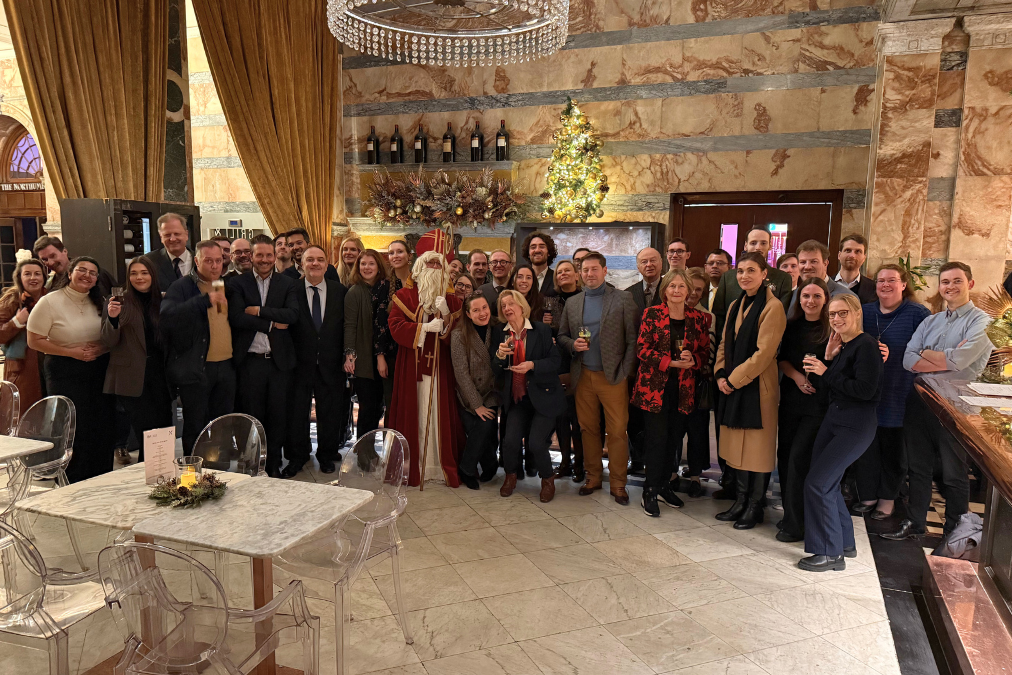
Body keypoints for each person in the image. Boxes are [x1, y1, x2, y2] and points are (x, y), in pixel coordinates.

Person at [884, 261, 993, 547]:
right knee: (918, 467)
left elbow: (961, 360)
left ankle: (955, 531)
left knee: (953, 472)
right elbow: (908, 360)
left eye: (957, 281)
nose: (950, 287)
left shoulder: (982, 322)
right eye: (945, 282)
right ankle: (915, 522)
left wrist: (929, 355)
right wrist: (944, 358)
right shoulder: (931, 321)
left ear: (970, 284)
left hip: (955, 405)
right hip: (921, 400)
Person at [799, 294, 882, 571]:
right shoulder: (844, 346)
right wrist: (828, 359)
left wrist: (827, 369)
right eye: (832, 314)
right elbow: (830, 389)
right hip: (835, 420)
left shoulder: (866, 345)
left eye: (843, 312)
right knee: (827, 483)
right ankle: (844, 542)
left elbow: (866, 391)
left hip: (855, 425)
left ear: (857, 313)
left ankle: (830, 553)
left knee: (818, 483)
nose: (836, 319)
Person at [713, 252, 787, 529]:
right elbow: (724, 343)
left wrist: (733, 380)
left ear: (764, 274)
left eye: (751, 270)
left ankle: (755, 506)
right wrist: (720, 374)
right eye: (741, 271)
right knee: (737, 448)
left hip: (757, 387)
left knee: (757, 450)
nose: (744, 276)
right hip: (733, 385)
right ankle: (740, 500)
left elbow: (764, 353)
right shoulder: (736, 304)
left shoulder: (773, 306)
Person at [386, 229, 465, 487]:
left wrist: (446, 315)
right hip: (411, 366)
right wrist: (423, 328)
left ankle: (437, 466)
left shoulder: (452, 301)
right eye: (429, 262)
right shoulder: (404, 297)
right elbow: (395, 326)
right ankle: (413, 467)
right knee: (414, 411)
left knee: (438, 414)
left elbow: (460, 336)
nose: (433, 267)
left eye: (438, 264)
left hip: (441, 369)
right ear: (419, 266)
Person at [558, 252, 638, 504]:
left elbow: (633, 340)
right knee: (588, 429)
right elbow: (562, 336)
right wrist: (573, 345)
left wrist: (625, 372)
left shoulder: (623, 299)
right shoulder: (573, 303)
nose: (589, 274)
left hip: (613, 376)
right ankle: (592, 477)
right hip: (583, 375)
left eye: (594, 269)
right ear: (580, 274)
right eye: (585, 270)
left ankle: (618, 483)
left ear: (604, 271)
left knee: (617, 431)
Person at [852, 264, 930, 520]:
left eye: (892, 280)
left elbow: (927, 351)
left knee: (893, 451)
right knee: (867, 447)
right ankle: (867, 494)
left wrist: (893, 354)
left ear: (904, 284)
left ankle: (887, 499)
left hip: (900, 390)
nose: (885, 285)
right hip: (868, 391)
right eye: (881, 280)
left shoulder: (918, 313)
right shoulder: (864, 312)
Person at [27, 257, 114, 482]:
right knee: (73, 427)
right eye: (81, 270)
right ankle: (72, 480)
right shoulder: (50, 301)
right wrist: (71, 352)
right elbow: (34, 341)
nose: (87, 275)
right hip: (64, 370)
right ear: (69, 273)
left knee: (101, 424)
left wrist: (102, 348)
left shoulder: (101, 301)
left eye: (92, 273)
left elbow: (113, 335)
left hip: (99, 368)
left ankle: (102, 477)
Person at [632, 268, 711, 516]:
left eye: (681, 286)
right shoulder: (652, 314)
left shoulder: (699, 319)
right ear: (664, 290)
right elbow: (642, 350)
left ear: (689, 290)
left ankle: (664, 486)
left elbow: (704, 352)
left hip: (684, 389)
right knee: (656, 440)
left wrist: (693, 360)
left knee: (674, 440)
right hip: (654, 389)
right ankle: (649, 490)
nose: (676, 290)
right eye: (672, 286)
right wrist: (670, 362)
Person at [227, 235, 299, 476]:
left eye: (269, 255)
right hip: (250, 363)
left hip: (278, 363)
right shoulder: (238, 283)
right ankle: (252, 466)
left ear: (275, 256)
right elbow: (237, 317)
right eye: (260, 255)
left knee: (278, 416)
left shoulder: (288, 283)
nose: (265, 259)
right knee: (251, 417)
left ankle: (273, 465)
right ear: (251, 256)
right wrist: (271, 324)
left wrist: (259, 311)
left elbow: (292, 315)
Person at [160, 240, 235, 456]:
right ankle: (194, 469)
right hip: (198, 367)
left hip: (226, 365)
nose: (215, 266)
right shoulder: (183, 286)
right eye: (209, 261)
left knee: (223, 422)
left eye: (218, 260)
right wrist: (203, 301)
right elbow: (167, 316)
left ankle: (220, 467)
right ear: (196, 261)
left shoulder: (225, 284)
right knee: (195, 423)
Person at [492, 290, 566, 502]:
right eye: (503, 306)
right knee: (510, 442)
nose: (507, 308)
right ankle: (511, 477)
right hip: (518, 399)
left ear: (522, 307)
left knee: (536, 443)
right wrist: (499, 356)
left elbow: (555, 361)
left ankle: (547, 479)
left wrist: (532, 365)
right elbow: (495, 369)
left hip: (544, 397)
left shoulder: (541, 330)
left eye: (511, 304)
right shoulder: (500, 333)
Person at [775, 278, 831, 542]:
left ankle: (798, 525)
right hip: (791, 399)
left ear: (825, 299)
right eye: (806, 296)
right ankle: (790, 515)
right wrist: (797, 377)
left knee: (800, 460)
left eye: (817, 296)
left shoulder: (832, 328)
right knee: (785, 458)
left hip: (818, 404)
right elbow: (782, 359)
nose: (810, 301)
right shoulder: (792, 326)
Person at [101, 257, 172, 461]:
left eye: (144, 272)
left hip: (160, 374)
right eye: (133, 273)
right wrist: (113, 318)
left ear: (152, 275)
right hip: (131, 375)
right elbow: (108, 340)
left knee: (164, 428)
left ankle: (163, 472)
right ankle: (146, 473)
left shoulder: (163, 300)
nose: (139, 277)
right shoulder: (118, 301)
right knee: (146, 430)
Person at [287, 245, 348, 478]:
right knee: (297, 412)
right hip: (298, 364)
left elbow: (345, 327)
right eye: (310, 259)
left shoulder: (339, 291)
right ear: (302, 264)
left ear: (327, 264)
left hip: (331, 363)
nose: (315, 263)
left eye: (320, 259)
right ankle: (298, 456)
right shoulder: (290, 289)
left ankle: (326, 455)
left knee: (330, 412)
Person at [344, 250, 395, 442]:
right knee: (368, 408)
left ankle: (381, 448)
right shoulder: (354, 292)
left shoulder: (387, 289)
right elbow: (350, 326)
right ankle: (364, 451)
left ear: (379, 266)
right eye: (363, 264)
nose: (367, 268)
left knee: (381, 407)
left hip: (387, 354)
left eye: (371, 263)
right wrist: (350, 356)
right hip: (365, 358)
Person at [451, 293, 501, 489]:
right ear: (468, 314)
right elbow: (461, 373)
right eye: (476, 310)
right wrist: (477, 404)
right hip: (468, 393)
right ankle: (487, 464)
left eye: (484, 308)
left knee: (485, 424)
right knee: (479, 427)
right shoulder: (459, 335)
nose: (482, 313)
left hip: (492, 391)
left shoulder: (498, 327)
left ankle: (467, 468)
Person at [710, 228, 792, 336]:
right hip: (729, 339)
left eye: (763, 243)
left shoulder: (782, 278)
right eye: (753, 243)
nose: (758, 247)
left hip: (765, 338)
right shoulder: (728, 277)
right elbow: (719, 315)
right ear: (746, 246)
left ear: (770, 246)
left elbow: (781, 317)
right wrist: (724, 342)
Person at [683, 267, 717, 497]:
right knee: (674, 430)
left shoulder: (708, 317)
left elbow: (710, 351)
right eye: (691, 288)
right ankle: (671, 473)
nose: (693, 293)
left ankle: (695, 475)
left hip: (697, 381)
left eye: (699, 290)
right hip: (672, 380)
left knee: (697, 430)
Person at [0, 258, 48, 409]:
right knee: (22, 412)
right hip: (22, 368)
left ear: (44, 277)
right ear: (19, 277)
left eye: (37, 274)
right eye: (27, 274)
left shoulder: (50, 298)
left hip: (50, 361)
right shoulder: (11, 299)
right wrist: (17, 322)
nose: (33, 278)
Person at [551, 261, 584, 482]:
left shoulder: (585, 298)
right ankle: (564, 462)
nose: (563, 274)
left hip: (581, 362)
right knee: (561, 418)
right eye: (559, 271)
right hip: (558, 364)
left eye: (567, 271)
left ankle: (580, 464)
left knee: (579, 420)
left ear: (576, 275)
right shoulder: (550, 300)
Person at [786, 240, 855, 314]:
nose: (807, 267)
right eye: (803, 262)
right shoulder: (793, 295)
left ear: (825, 263)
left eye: (814, 261)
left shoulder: (846, 297)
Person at [33, 235, 116, 295]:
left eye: (53, 256)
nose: (50, 262)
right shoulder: (50, 285)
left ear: (64, 251)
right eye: (45, 259)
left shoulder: (95, 274)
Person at [144, 213, 193, 291]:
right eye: (167, 235)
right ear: (161, 237)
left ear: (186, 235)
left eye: (177, 234)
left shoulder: (201, 260)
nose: (172, 239)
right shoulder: (149, 262)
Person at [836, 234, 877, 304]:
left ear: (864, 258)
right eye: (848, 250)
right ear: (839, 255)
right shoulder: (825, 285)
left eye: (858, 251)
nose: (852, 255)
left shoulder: (874, 288)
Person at [625, 247, 663, 313]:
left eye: (653, 260)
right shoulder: (628, 294)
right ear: (638, 267)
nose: (649, 264)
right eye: (644, 262)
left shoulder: (671, 289)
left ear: (661, 263)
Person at [521, 231, 557, 296]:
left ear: (549, 252)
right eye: (533, 247)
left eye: (542, 247)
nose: (537, 250)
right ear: (528, 253)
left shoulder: (556, 278)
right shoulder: (520, 279)